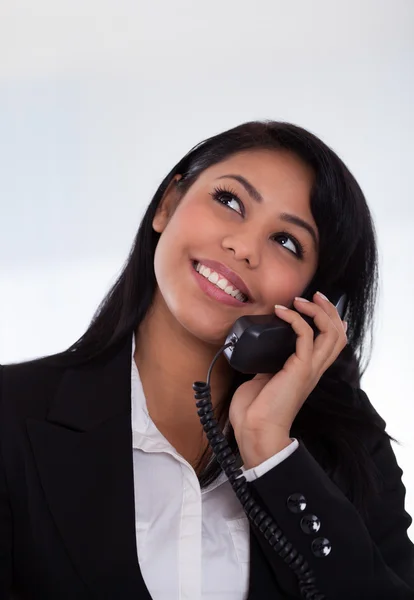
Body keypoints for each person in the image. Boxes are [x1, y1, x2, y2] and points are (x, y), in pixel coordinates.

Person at [0, 121, 413, 600]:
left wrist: (271, 453)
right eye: (230, 201)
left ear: (316, 304)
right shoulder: (12, 416)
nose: (242, 248)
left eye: (286, 242)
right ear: (168, 205)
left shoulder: (351, 451)